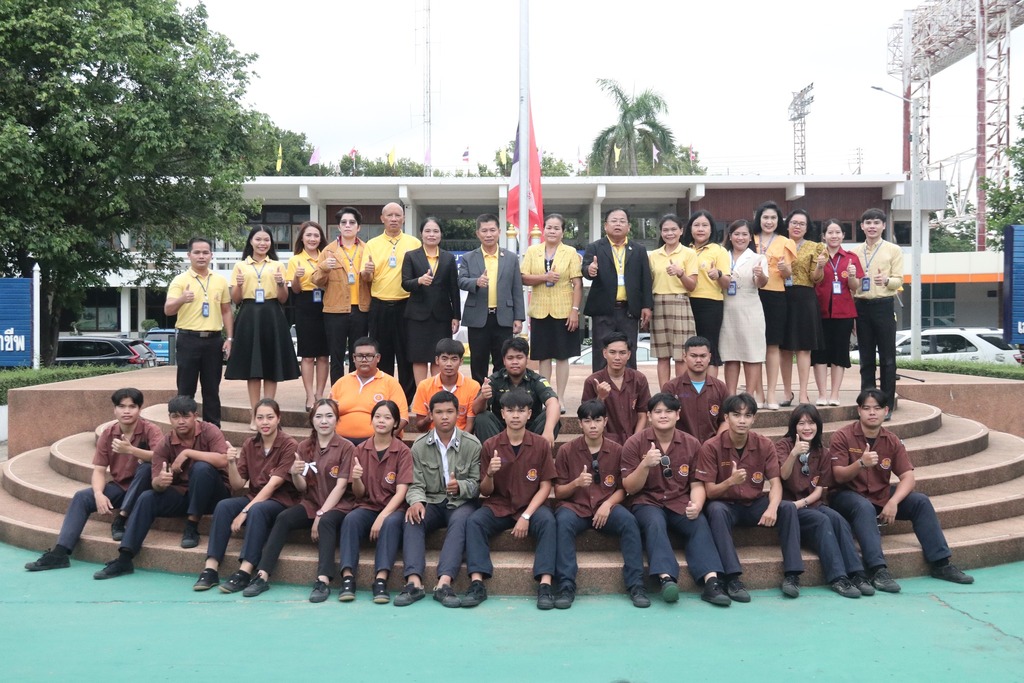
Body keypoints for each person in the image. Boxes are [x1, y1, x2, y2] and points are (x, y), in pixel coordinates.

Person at [829, 389, 974, 592]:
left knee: (920, 502)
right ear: (859, 411)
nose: (872, 412)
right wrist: (860, 463)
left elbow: (908, 477)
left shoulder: (892, 440)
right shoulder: (843, 436)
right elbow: (838, 476)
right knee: (864, 507)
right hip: (846, 495)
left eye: (877, 408)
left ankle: (941, 564)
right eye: (867, 408)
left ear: (886, 411)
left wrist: (893, 501)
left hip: (879, 494)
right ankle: (878, 570)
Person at [91, 396, 230, 579]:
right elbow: (155, 482)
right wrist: (160, 482)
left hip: (215, 496)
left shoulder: (209, 430)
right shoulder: (165, 443)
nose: (180, 421)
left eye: (185, 416)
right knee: (147, 497)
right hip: (184, 495)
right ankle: (124, 558)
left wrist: (187, 453)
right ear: (169, 418)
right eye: (175, 417)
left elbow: (223, 459)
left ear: (195, 416)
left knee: (201, 468)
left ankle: (192, 525)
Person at [24, 388, 163, 571]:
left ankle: (121, 519)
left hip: (145, 491)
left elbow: (161, 456)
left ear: (139, 409)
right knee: (82, 497)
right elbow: (99, 470)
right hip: (121, 488)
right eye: (121, 406)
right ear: (114, 409)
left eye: (132, 406)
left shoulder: (151, 430)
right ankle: (60, 553)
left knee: (145, 469)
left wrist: (131, 450)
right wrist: (98, 494)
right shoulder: (109, 433)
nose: (126, 411)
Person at [620, 393, 732, 607]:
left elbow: (697, 484)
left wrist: (697, 505)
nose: (663, 416)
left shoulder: (691, 443)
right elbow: (629, 487)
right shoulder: (635, 443)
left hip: (679, 500)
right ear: (649, 416)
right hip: (647, 501)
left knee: (698, 522)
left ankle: (711, 581)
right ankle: (666, 579)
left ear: (678, 414)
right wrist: (644, 465)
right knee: (654, 523)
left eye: (669, 411)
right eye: (658, 412)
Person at [241, 399, 355, 602]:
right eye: (319, 416)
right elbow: (302, 487)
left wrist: (321, 514)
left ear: (337, 419)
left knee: (326, 522)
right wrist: (294, 474)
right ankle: (262, 575)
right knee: (284, 518)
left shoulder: (346, 447)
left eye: (329, 416)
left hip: (337, 506)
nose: (324, 421)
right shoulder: (304, 447)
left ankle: (323, 580)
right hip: (311, 503)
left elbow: (341, 486)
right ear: (312, 420)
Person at [695, 393, 804, 601]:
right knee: (715, 510)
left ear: (754, 419)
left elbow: (776, 483)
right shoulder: (711, 446)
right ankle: (732, 578)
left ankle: (792, 575)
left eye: (747, 415)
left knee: (788, 507)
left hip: (754, 504)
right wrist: (730, 482)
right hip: (726, 504)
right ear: (726, 417)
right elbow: (709, 492)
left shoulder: (764, 444)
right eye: (736, 415)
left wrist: (772, 507)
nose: (742, 420)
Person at [192, 398, 301, 593]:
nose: (265, 422)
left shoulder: (289, 444)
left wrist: (245, 511)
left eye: (270, 417)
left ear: (278, 418)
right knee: (223, 506)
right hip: (254, 496)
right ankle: (211, 568)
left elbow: (273, 485)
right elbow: (237, 484)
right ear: (254, 420)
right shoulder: (250, 443)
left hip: (280, 500)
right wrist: (231, 463)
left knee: (257, 510)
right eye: (260, 418)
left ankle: (245, 571)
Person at [462, 390, 557, 609]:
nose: (515, 415)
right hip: (500, 504)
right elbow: (485, 491)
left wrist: (526, 516)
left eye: (521, 411)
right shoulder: (490, 445)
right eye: (510, 410)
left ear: (529, 414)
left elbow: (546, 486)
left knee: (549, 522)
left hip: (531, 505)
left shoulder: (541, 444)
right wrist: (490, 474)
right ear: (502, 413)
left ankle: (545, 584)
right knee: (474, 522)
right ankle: (477, 583)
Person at [553, 400, 650, 608]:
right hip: (575, 507)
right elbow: (559, 492)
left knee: (629, 522)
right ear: (580, 424)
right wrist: (576, 483)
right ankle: (566, 585)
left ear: (605, 422)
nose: (593, 425)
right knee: (562, 521)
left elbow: (624, 488)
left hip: (607, 506)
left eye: (597, 420)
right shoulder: (566, 451)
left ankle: (636, 584)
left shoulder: (617, 450)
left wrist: (608, 504)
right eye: (587, 421)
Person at [396, 390, 482, 608]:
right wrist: (416, 501)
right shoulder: (419, 445)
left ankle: (444, 583)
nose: (445, 417)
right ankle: (414, 583)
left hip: (460, 502)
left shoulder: (472, 444)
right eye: (439, 412)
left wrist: (460, 486)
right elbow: (415, 483)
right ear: (431, 415)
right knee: (412, 518)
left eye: (450, 412)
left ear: (458, 413)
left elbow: (477, 484)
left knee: (461, 521)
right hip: (431, 501)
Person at [776, 404, 870, 598]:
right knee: (823, 521)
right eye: (801, 423)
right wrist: (794, 453)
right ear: (794, 426)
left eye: (811, 423)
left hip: (810, 503)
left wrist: (803, 503)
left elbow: (819, 491)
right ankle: (838, 578)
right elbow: (783, 475)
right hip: (790, 507)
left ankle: (857, 573)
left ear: (818, 425)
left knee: (839, 520)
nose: (807, 428)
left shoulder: (823, 452)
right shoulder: (783, 446)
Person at [337, 400, 413, 604]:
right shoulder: (360, 450)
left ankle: (381, 580)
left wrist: (382, 516)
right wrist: (357, 479)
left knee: (390, 523)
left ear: (395, 423)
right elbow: (358, 494)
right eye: (377, 416)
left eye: (387, 417)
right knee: (351, 520)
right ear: (371, 420)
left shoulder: (403, 451)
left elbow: (402, 491)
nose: (381, 421)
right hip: (367, 505)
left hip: (392, 508)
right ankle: (347, 578)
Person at [225, 225, 300, 429]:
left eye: (266, 240)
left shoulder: (278, 265)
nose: (262, 243)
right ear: (251, 241)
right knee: (253, 369)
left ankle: (269, 414)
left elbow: (283, 299)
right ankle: (255, 414)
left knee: (270, 366)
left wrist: (281, 284)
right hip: (249, 315)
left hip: (272, 314)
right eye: (258, 239)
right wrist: (239, 284)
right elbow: (236, 299)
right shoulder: (240, 266)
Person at [164, 237, 234, 426]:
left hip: (213, 340)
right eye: (197, 252)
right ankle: (184, 429)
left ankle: (213, 431)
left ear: (211, 255)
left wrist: (229, 338)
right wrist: (181, 299)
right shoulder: (180, 280)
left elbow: (226, 311)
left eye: (205, 252)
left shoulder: (220, 280)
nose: (201, 256)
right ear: (189, 255)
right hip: (188, 339)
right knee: (185, 390)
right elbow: (168, 309)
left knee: (212, 390)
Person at [520, 213, 583, 409]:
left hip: (564, 311)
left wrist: (574, 310)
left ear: (563, 232)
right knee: (543, 356)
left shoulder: (570, 252)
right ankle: (546, 397)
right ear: (543, 230)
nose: (552, 231)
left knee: (562, 356)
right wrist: (544, 277)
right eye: (549, 227)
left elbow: (577, 283)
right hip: (540, 311)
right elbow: (523, 277)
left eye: (557, 228)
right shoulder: (533, 251)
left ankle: (560, 398)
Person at [582, 207, 653, 371]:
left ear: (629, 226)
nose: (618, 224)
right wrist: (590, 270)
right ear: (605, 226)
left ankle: (629, 386)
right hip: (603, 310)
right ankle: (599, 386)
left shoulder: (638, 250)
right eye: (614, 221)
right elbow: (585, 269)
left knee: (629, 352)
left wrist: (647, 306)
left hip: (629, 310)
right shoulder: (595, 247)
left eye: (622, 221)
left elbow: (645, 279)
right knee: (601, 352)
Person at [457, 213, 524, 383]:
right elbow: (461, 280)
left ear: (499, 231)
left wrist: (518, 317)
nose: (489, 234)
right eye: (484, 231)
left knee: (502, 360)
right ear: (477, 233)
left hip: (503, 317)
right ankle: (479, 394)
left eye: (492, 230)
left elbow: (516, 288)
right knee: (478, 360)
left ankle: (500, 394)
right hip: (477, 318)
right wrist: (476, 282)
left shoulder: (510, 258)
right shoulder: (468, 258)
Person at [365, 202, 421, 401]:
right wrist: (366, 272)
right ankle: (384, 396)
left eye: (398, 215)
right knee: (382, 355)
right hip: (379, 305)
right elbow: (366, 277)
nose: (394, 219)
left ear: (404, 218)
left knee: (406, 354)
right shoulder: (372, 244)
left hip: (406, 305)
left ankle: (406, 398)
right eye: (390, 215)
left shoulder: (414, 243)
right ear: (382, 218)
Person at [852, 209, 903, 417]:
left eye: (876, 222)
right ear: (862, 226)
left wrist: (887, 281)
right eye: (868, 223)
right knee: (866, 359)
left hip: (884, 306)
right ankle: (867, 404)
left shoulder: (893, 250)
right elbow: (851, 284)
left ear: (883, 226)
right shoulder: (855, 252)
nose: (872, 226)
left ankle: (886, 405)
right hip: (861, 306)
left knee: (888, 359)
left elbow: (899, 280)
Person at [312, 207, 371, 384]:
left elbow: (373, 280)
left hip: (361, 308)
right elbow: (316, 280)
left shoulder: (367, 249)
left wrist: (369, 273)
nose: (347, 225)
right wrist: (324, 268)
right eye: (344, 222)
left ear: (358, 227)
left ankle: (356, 390)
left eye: (352, 222)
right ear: (338, 226)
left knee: (358, 354)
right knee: (336, 355)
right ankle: (337, 392)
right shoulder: (328, 250)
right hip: (335, 310)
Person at [401, 216, 460, 387]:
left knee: (439, 356)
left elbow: (454, 288)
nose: (431, 235)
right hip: (417, 316)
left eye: (435, 231)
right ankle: (422, 395)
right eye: (427, 231)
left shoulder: (448, 258)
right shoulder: (411, 256)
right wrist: (419, 281)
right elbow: (405, 283)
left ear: (441, 234)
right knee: (418, 357)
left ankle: (436, 394)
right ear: (421, 234)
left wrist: (456, 316)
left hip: (441, 316)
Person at [471, 337, 560, 444]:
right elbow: (475, 409)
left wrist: (548, 431)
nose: (515, 362)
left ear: (527, 359)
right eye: (510, 358)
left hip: (532, 433)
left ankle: (536, 452)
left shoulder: (536, 380)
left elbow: (553, 403)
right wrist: (483, 397)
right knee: (482, 418)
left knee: (551, 416)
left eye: (519, 357)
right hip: (501, 434)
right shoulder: (494, 380)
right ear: (504, 360)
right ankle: (494, 452)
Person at [779, 209, 827, 406]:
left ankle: (803, 393)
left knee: (803, 348)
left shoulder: (815, 247)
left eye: (802, 223)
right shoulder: (779, 244)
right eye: (794, 222)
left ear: (807, 228)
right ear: (787, 225)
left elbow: (816, 279)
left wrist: (820, 266)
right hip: (781, 296)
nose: (797, 226)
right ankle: (786, 392)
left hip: (805, 298)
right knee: (783, 349)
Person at [813, 219, 863, 406]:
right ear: (823, 236)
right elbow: (814, 280)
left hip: (844, 313)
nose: (834, 236)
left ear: (843, 235)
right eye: (830, 232)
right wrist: (819, 265)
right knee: (819, 354)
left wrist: (852, 275)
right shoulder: (818, 256)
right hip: (819, 312)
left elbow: (855, 287)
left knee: (839, 354)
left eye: (837, 232)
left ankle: (835, 394)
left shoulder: (851, 258)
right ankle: (822, 394)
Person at [753, 201, 797, 409]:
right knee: (754, 346)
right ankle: (758, 393)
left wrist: (784, 268)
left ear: (779, 221)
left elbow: (788, 274)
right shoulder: (749, 238)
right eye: (765, 217)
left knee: (772, 345)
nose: (769, 221)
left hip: (775, 296)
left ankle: (771, 393)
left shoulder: (786, 242)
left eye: (773, 218)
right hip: (751, 294)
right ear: (758, 219)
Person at [719, 220, 768, 398]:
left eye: (744, 234)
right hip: (727, 309)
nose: (740, 238)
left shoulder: (758, 258)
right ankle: (731, 397)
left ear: (750, 237)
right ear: (730, 236)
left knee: (752, 354)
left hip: (750, 309)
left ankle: (749, 396)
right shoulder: (722, 255)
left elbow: (761, 283)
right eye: (737, 234)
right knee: (731, 354)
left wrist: (760, 275)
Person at [648, 214, 697, 388]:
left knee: (681, 355)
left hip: (680, 302)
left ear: (681, 231)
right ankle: (665, 394)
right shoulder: (653, 255)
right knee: (662, 355)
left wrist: (680, 273)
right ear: (661, 233)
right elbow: (649, 283)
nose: (670, 233)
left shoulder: (689, 253)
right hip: (658, 303)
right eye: (665, 230)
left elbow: (692, 286)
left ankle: (682, 393)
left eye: (673, 229)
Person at [328, 337, 408, 444]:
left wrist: (383, 441)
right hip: (341, 443)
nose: (364, 360)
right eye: (360, 356)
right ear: (353, 358)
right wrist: (329, 408)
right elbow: (326, 414)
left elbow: (403, 418)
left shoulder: (390, 383)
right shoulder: (341, 383)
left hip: (379, 443)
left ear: (378, 358)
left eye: (369, 356)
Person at [286, 221, 330, 411]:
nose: (312, 239)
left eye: (316, 235)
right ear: (302, 238)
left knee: (323, 355)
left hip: (326, 303)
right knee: (308, 355)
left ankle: (320, 394)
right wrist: (297, 276)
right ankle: (309, 395)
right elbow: (295, 290)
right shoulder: (295, 260)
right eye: (309, 235)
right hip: (305, 304)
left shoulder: (327, 257)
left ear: (321, 238)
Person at [682, 210, 731, 378]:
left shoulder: (719, 250)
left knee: (709, 347)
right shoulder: (684, 250)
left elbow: (726, 283)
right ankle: (690, 387)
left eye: (705, 225)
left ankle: (709, 388)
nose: (700, 229)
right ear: (690, 228)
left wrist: (718, 274)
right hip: (686, 302)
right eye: (696, 225)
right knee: (688, 348)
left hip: (710, 304)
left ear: (711, 229)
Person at [580, 332, 650, 447]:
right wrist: (600, 398)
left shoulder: (639, 379)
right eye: (612, 352)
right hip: (603, 443)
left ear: (629, 355)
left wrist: (635, 440)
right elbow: (588, 417)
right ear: (605, 353)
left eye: (622, 353)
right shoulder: (593, 381)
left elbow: (643, 413)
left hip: (633, 440)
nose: (617, 357)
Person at [661, 336, 728, 443]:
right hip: (681, 446)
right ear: (684, 357)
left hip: (711, 447)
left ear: (709, 357)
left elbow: (725, 420)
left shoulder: (720, 387)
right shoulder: (671, 388)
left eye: (703, 356)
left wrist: (714, 444)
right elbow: (664, 420)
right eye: (693, 356)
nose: (698, 360)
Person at [409, 339, 480, 433]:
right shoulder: (424, 386)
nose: (449, 364)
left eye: (454, 359)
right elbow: (420, 427)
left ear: (461, 361)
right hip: (433, 438)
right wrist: (428, 418)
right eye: (444, 359)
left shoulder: (473, 386)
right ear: (437, 360)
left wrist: (459, 440)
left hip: (462, 437)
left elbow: (470, 425)